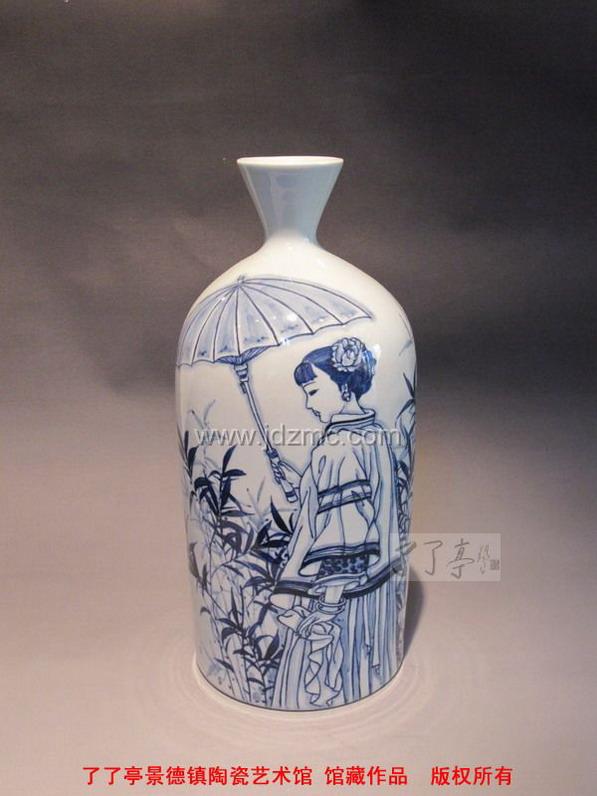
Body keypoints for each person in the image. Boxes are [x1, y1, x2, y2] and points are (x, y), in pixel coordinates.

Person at [269, 336, 407, 709]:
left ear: (344, 387)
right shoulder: (374, 436)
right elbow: (357, 507)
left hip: (340, 593)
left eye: (313, 391)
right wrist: (300, 482)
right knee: (362, 674)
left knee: (315, 678)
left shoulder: (337, 447)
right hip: (374, 583)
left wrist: (325, 611)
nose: (308, 403)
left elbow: (345, 536)